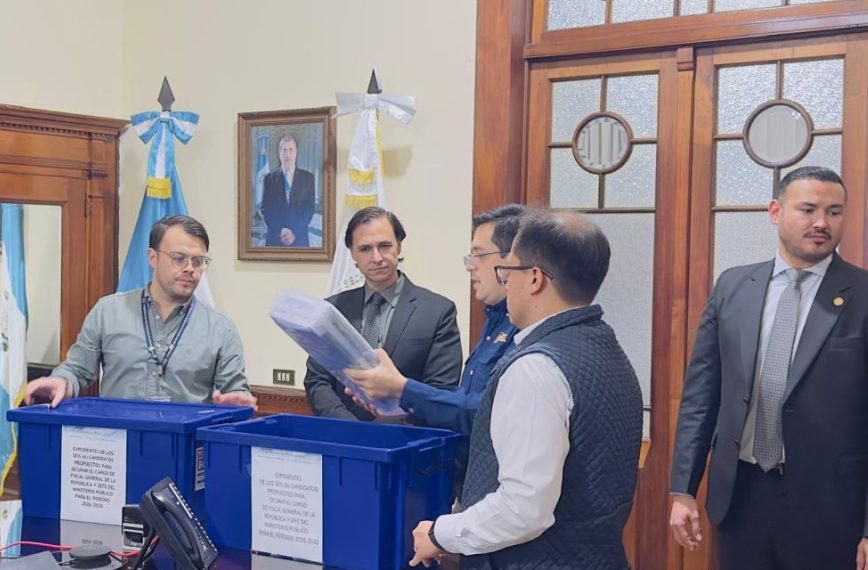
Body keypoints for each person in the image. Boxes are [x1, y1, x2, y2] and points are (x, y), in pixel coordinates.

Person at [369, 210, 642, 569]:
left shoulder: (536, 367)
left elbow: (523, 509)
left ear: (533, 279)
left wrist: (441, 533)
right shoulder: (609, 350)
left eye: (507, 271)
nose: (503, 282)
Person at [669, 166, 868, 569]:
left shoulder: (862, 294)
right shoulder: (733, 286)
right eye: (808, 209)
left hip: (829, 508)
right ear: (775, 211)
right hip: (741, 497)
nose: (821, 223)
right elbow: (700, 396)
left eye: (834, 212)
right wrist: (682, 489)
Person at [24, 215, 256, 408]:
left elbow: (236, 391)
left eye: (198, 261)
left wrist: (236, 403)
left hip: (184, 451)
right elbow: (76, 369)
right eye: (179, 258)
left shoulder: (220, 329)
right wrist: (61, 381)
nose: (189, 269)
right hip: (115, 448)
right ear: (153, 258)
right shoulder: (108, 312)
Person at [346, 204, 526, 434]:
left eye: (478, 255)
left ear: (512, 260)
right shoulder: (495, 317)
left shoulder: (527, 328)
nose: (469, 266)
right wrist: (400, 407)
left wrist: (401, 390)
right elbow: (463, 402)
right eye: (365, 248)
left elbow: (492, 413)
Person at [304, 207, 462, 421]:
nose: (376, 257)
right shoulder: (333, 310)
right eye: (366, 249)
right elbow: (317, 380)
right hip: (342, 437)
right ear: (353, 254)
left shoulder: (437, 312)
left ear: (398, 246)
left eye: (384, 246)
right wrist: (350, 427)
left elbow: (440, 391)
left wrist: (387, 426)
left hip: (406, 442)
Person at [261, 136, 315, 247]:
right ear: (279, 153)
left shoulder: (308, 178)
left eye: (291, 150)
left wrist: (293, 232)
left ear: (296, 152)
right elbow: (266, 209)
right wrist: (280, 231)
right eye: (284, 150)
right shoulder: (269, 179)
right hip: (275, 239)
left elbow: (309, 209)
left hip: (299, 239)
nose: (287, 154)